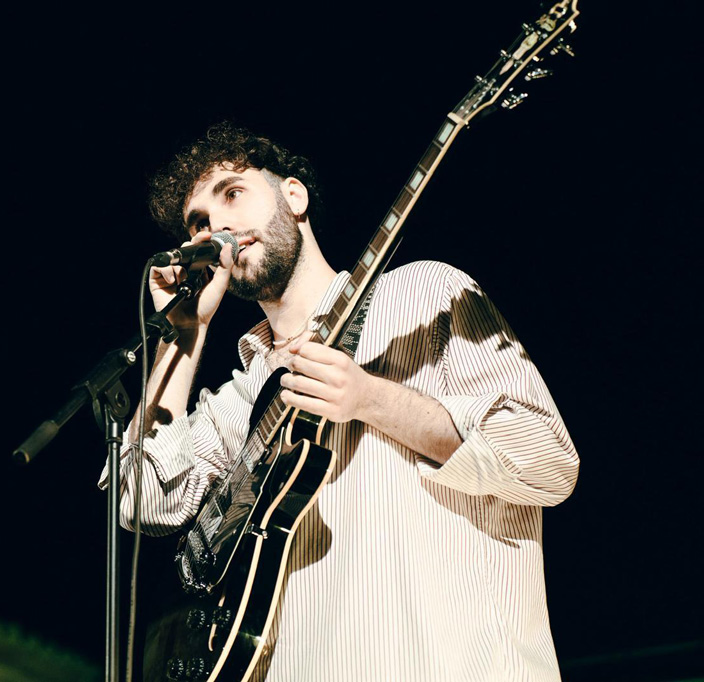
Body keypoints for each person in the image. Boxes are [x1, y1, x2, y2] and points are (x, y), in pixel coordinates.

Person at [99, 123, 579, 681]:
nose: (216, 228)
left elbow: (548, 461)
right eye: (199, 223)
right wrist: (183, 333)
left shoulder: (423, 293)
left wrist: (371, 398)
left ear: (294, 196)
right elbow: (139, 499)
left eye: (232, 193)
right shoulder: (249, 390)